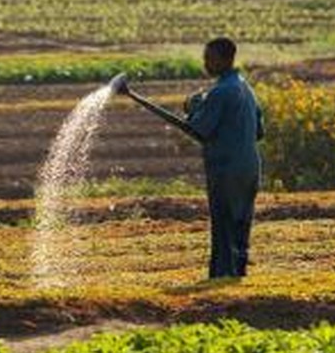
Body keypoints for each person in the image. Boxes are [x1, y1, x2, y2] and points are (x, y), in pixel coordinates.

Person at [111, 37, 264, 278]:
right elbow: (259, 132)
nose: (205, 63)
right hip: (250, 167)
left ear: (225, 59)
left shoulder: (221, 92)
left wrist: (194, 110)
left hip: (226, 169)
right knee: (240, 225)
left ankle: (222, 276)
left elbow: (199, 130)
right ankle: (237, 275)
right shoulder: (245, 88)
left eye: (209, 58)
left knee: (223, 225)